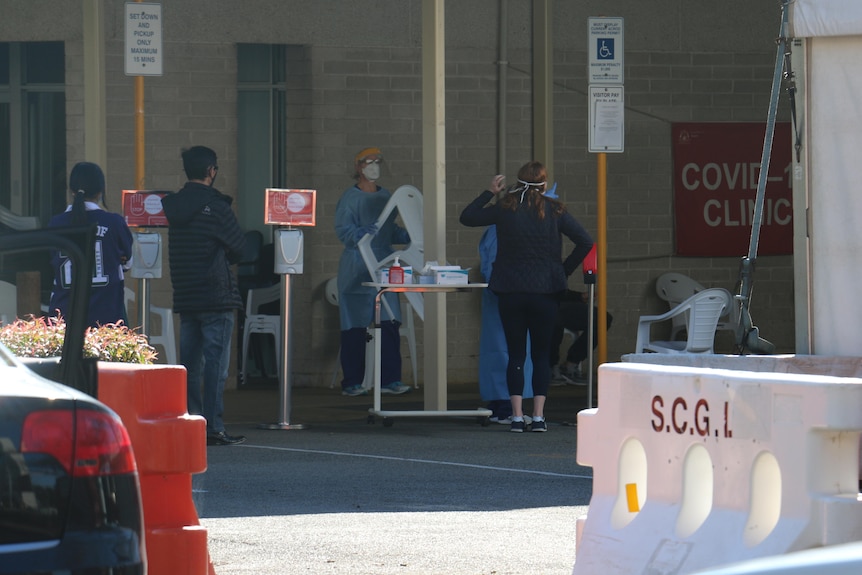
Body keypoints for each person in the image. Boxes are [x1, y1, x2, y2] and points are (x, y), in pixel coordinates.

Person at [460, 161, 593, 433]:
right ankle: (539, 417)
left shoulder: (506, 208)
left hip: (511, 291)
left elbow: (468, 217)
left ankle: (518, 417)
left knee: (516, 354)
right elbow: (586, 241)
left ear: (518, 183)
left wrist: (489, 192)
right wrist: (562, 271)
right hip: (546, 291)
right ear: (544, 184)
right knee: (541, 355)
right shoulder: (556, 210)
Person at [161, 146, 247, 446]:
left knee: (189, 365)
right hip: (217, 296)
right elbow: (240, 247)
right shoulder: (217, 206)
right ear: (211, 170)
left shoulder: (173, 206)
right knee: (216, 367)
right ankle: (213, 427)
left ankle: (192, 422)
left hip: (187, 295)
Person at [334, 147, 412, 397]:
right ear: (358, 167)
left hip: (384, 262)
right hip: (357, 264)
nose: (374, 166)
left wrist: (411, 235)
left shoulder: (386, 196)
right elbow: (344, 231)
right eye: (369, 162)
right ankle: (352, 382)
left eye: (378, 162)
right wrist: (361, 234)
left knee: (389, 321)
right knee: (354, 326)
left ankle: (390, 379)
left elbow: (390, 229)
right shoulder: (350, 198)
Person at [48, 161, 134, 328]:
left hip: (63, 317)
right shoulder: (114, 223)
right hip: (106, 317)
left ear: (72, 190)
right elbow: (127, 262)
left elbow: (53, 261)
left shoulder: (55, 224)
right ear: (100, 191)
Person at [550, 289, 613, 384]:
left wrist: (579, 296)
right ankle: (550, 366)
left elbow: (558, 287)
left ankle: (571, 363)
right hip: (537, 302)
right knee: (554, 317)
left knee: (602, 319)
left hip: (557, 300)